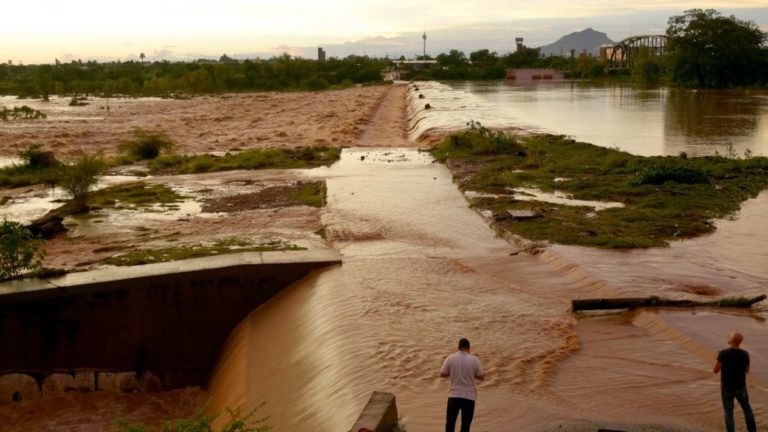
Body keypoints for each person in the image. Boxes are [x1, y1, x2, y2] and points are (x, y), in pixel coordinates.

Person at [713, 332, 757, 432]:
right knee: (746, 408)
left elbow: (715, 370)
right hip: (741, 386)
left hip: (727, 386)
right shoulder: (745, 354)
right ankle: (752, 430)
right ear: (740, 342)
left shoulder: (723, 353)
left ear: (730, 340)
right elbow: (747, 370)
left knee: (728, 411)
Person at [440, 338, 485, 432]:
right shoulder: (474, 359)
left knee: (450, 425)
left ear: (458, 347)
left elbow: (442, 374)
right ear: (469, 348)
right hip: (469, 397)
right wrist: (472, 373)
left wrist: (453, 372)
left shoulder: (451, 358)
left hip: (454, 395)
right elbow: (481, 377)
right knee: (465, 426)